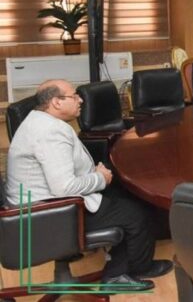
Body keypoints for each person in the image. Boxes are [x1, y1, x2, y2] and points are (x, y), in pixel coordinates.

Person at [5, 79, 172, 291]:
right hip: (49, 215)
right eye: (74, 96)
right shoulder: (50, 133)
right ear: (56, 102)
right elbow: (64, 188)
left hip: (38, 209)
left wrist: (94, 174)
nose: (81, 100)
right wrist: (99, 178)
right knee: (135, 213)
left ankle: (138, 264)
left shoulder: (38, 121)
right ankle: (118, 275)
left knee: (127, 194)